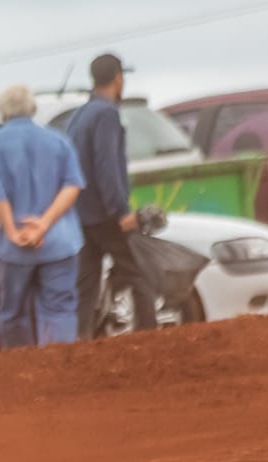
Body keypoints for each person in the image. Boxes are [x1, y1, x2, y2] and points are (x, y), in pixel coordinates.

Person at [0, 84, 85, 348]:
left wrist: (14, 232)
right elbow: (73, 185)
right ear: (33, 107)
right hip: (59, 242)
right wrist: (44, 225)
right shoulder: (58, 140)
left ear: (2, 111)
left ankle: (22, 373)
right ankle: (59, 365)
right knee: (60, 310)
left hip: (16, 248)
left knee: (14, 313)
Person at [67, 53, 157, 339]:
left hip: (82, 215)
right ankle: (150, 339)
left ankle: (79, 346)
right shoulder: (106, 114)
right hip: (106, 214)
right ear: (118, 78)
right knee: (139, 274)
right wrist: (120, 211)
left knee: (86, 285)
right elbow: (107, 166)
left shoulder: (79, 115)